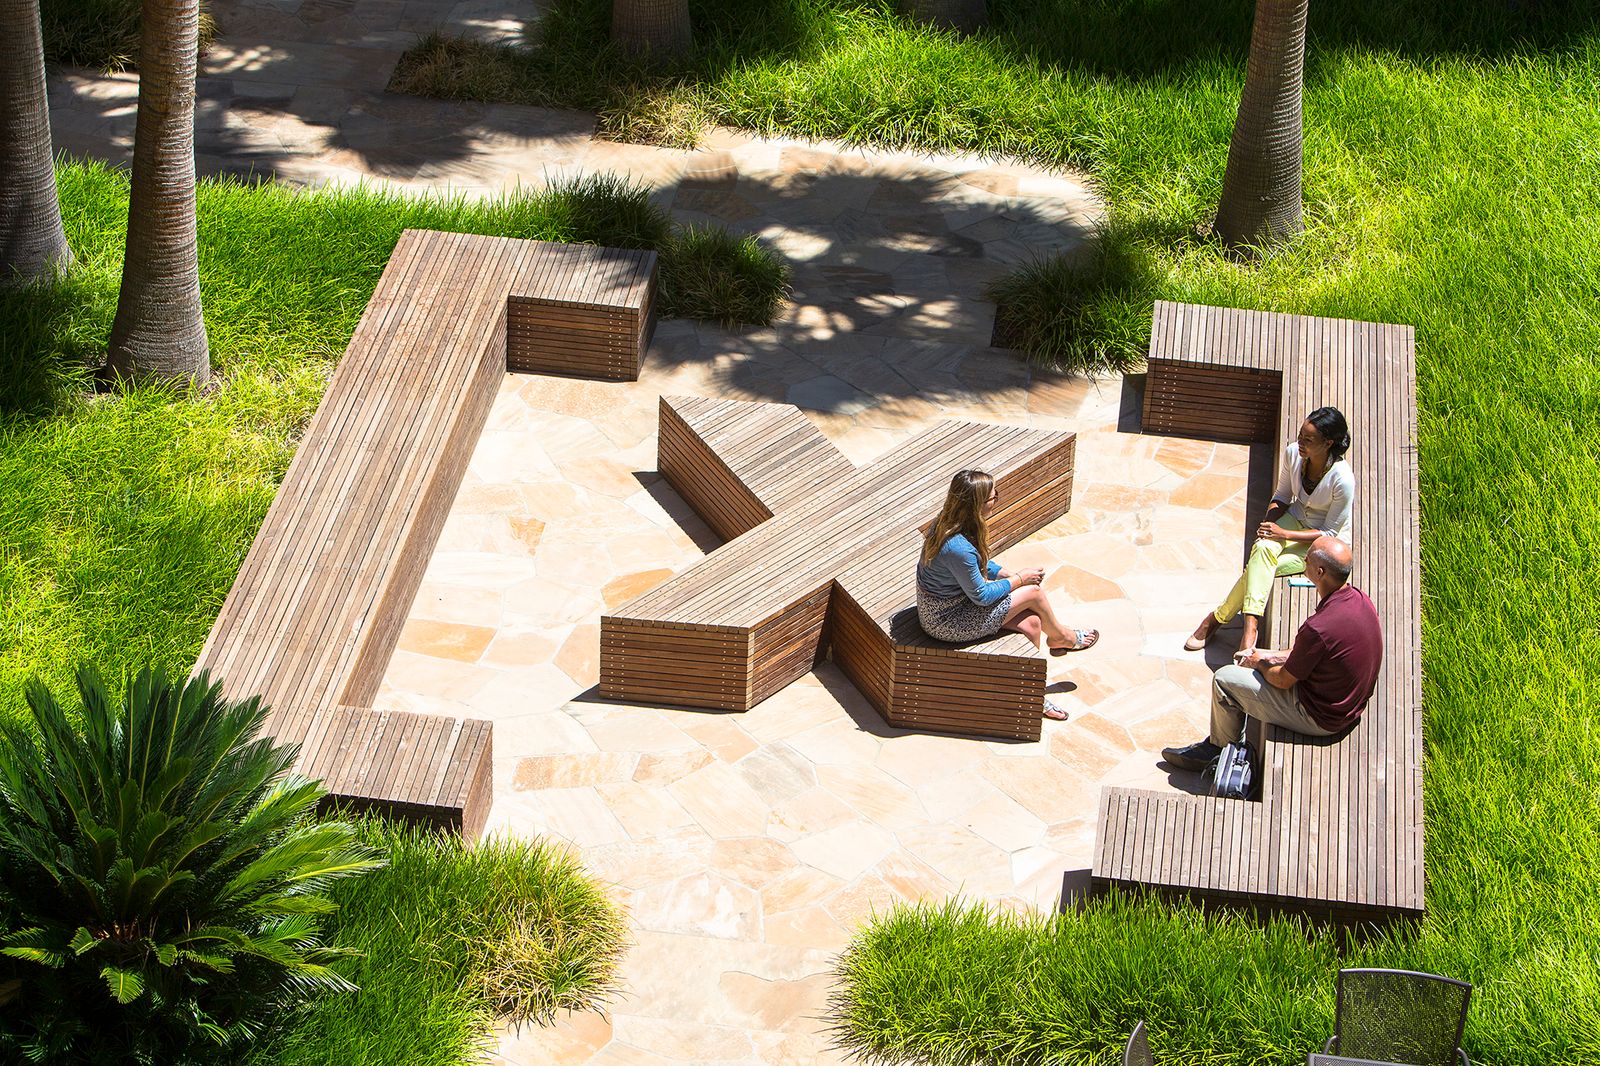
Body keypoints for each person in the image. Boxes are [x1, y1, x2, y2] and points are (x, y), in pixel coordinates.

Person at [1162, 536, 1382, 772]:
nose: (1303, 561)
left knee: (1224, 680)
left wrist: (1258, 663)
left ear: (1320, 572)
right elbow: (1315, 651)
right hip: (1348, 705)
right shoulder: (1360, 600)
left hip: (1320, 717)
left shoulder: (1318, 628)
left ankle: (1218, 751)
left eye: (1307, 559)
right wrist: (1271, 655)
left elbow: (1282, 680)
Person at [917, 469, 1099, 721]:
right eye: (994, 497)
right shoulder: (957, 547)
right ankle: (1062, 637)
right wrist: (1019, 580)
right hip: (946, 621)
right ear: (977, 505)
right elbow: (981, 595)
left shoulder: (949, 523)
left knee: (1032, 624)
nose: (996, 500)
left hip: (953, 606)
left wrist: (1005, 574)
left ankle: (1030, 692)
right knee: (1033, 593)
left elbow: (977, 565)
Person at [1186, 406, 1355, 655]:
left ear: (1328, 443)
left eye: (1308, 440)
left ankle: (1216, 619)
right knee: (1263, 548)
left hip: (1323, 543)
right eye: (1300, 435)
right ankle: (1250, 628)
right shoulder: (1293, 454)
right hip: (1295, 518)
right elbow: (1282, 496)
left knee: (1260, 568)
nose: (1300, 443)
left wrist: (1282, 534)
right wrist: (1267, 526)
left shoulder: (1343, 479)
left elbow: (1329, 532)